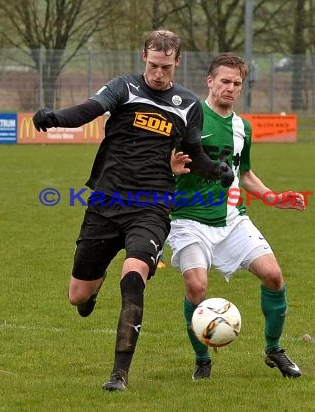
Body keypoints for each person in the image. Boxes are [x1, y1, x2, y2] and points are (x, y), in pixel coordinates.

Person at [32, 30, 233, 392]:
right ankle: (92, 293)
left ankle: (118, 375)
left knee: (133, 276)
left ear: (177, 62)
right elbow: (88, 111)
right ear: (144, 57)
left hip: (152, 206)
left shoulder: (187, 104)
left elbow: (194, 156)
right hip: (106, 203)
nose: (159, 73)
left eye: (166, 66)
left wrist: (216, 170)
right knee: (78, 294)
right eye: (153, 65)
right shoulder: (124, 88)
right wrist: (55, 118)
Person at [166, 53, 306, 381]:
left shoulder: (244, 127)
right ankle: (202, 359)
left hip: (231, 219)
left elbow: (244, 173)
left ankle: (274, 349)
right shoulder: (188, 117)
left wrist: (273, 197)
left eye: (237, 83)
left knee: (273, 276)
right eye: (225, 81)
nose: (230, 88)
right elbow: (160, 164)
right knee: (197, 286)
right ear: (210, 82)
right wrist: (169, 169)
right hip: (188, 220)